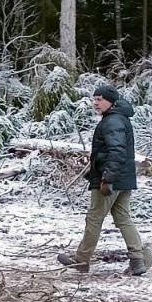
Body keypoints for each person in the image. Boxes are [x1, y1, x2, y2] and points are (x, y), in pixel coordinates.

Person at [58, 84, 147, 276]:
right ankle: (137, 261)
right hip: (124, 178)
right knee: (123, 218)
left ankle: (81, 261)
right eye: (94, 99)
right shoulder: (118, 118)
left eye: (100, 100)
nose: (96, 103)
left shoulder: (112, 121)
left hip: (112, 179)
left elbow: (116, 151)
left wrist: (106, 178)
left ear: (111, 102)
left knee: (94, 218)